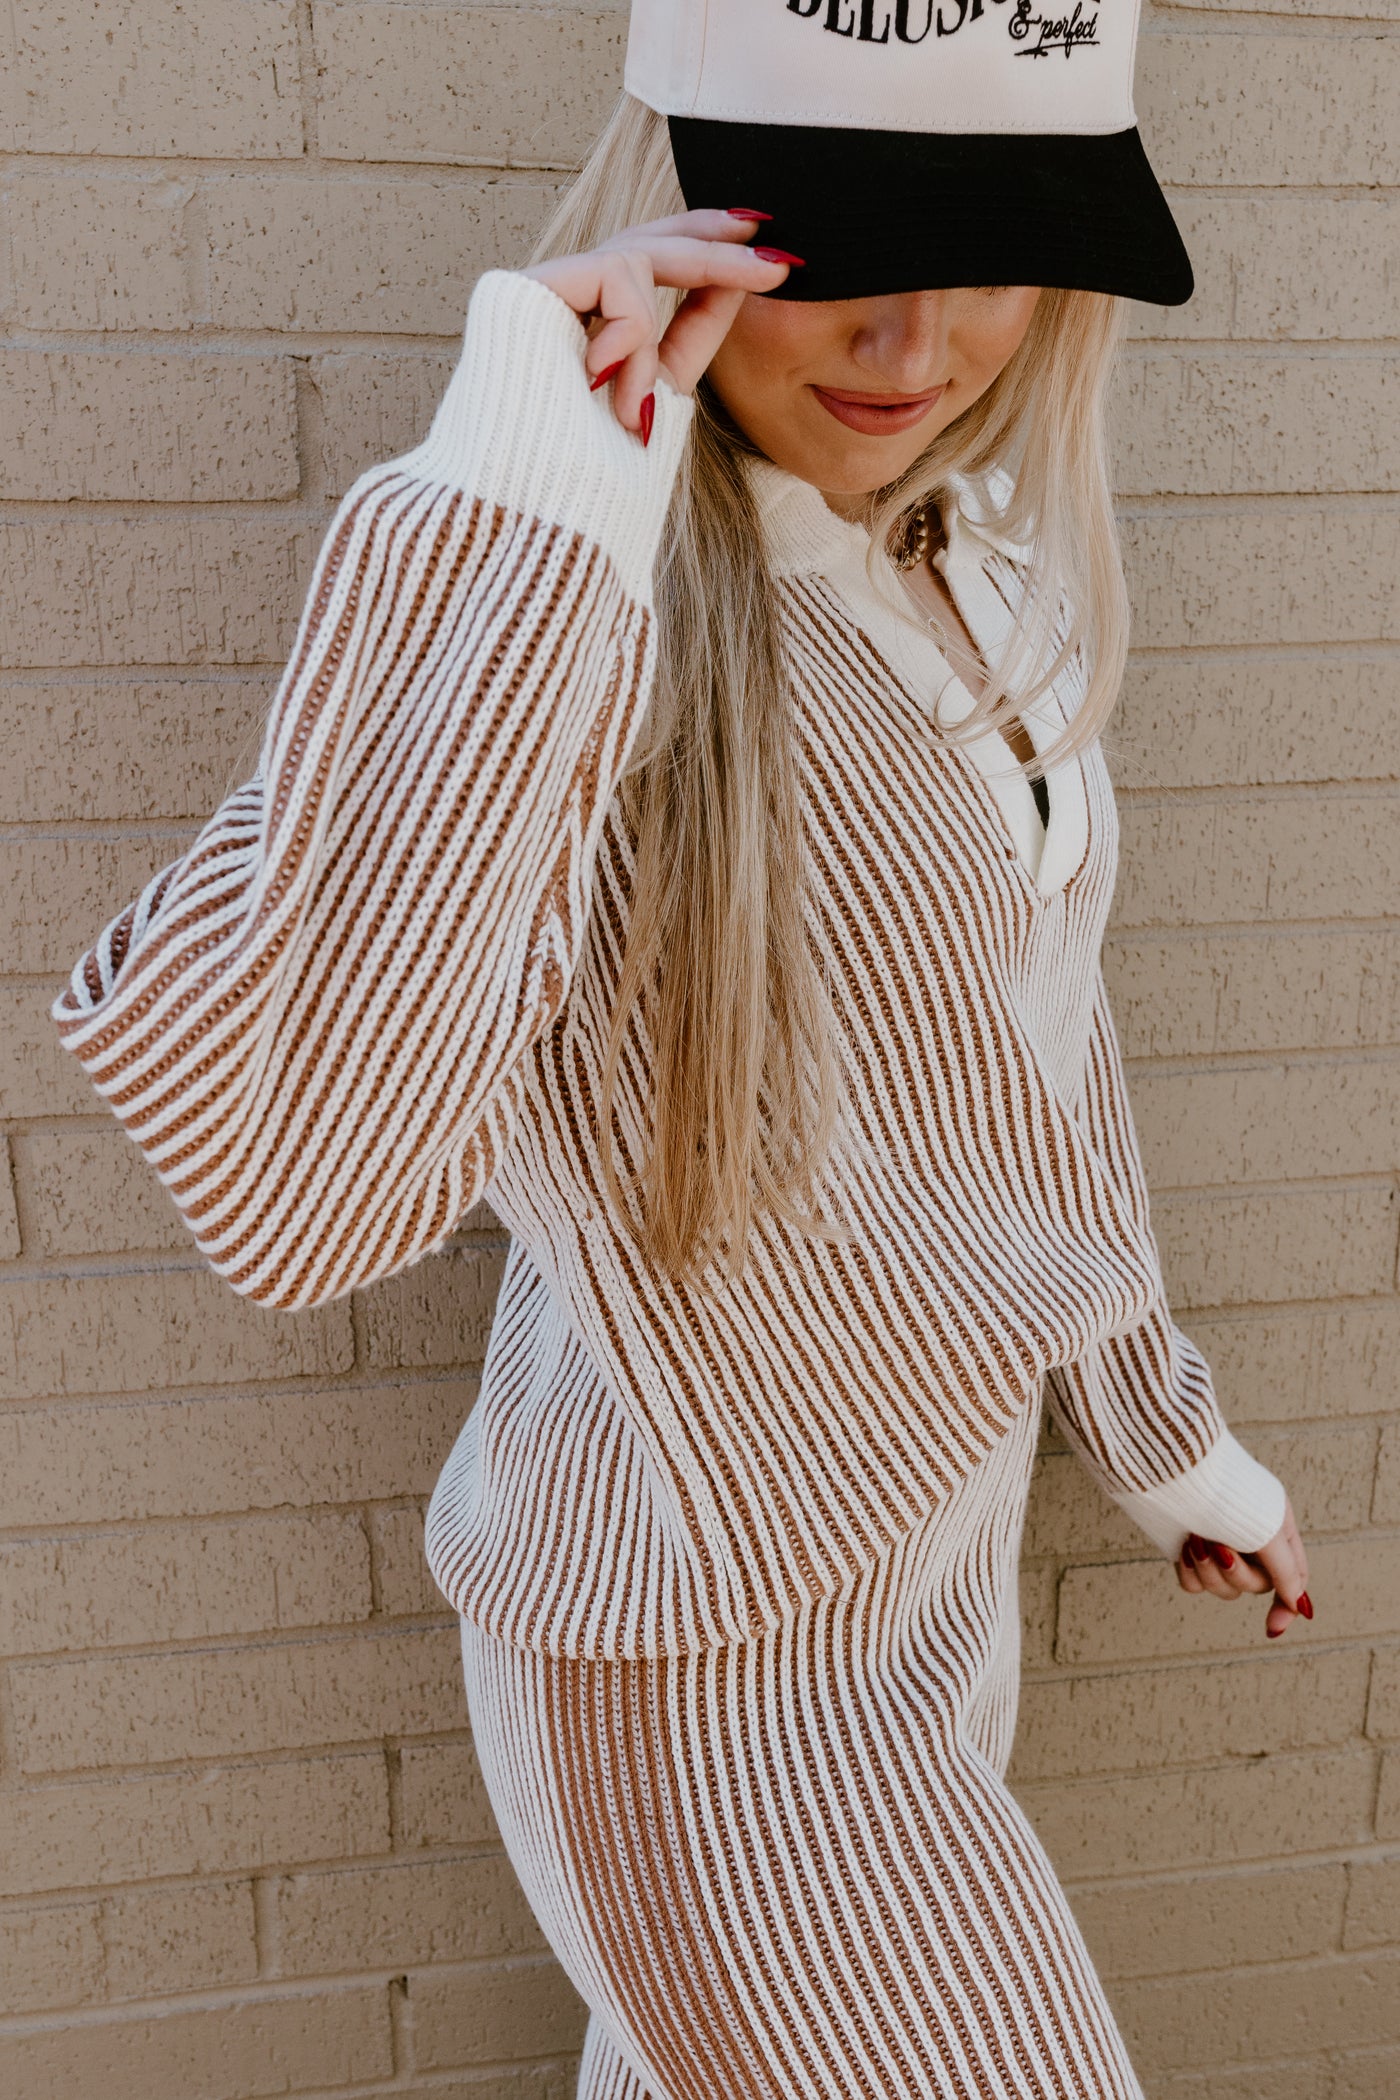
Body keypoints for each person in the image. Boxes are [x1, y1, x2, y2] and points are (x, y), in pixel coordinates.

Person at [54, 1, 1314, 2093]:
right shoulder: (570, 596)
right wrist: (522, 497)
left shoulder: (977, 579)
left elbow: (1029, 1066)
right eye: (832, 253)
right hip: (693, 1637)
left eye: (993, 255)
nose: (914, 351)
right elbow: (298, 1183)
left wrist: (1161, 1432)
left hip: (926, 1570)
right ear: (690, 213)